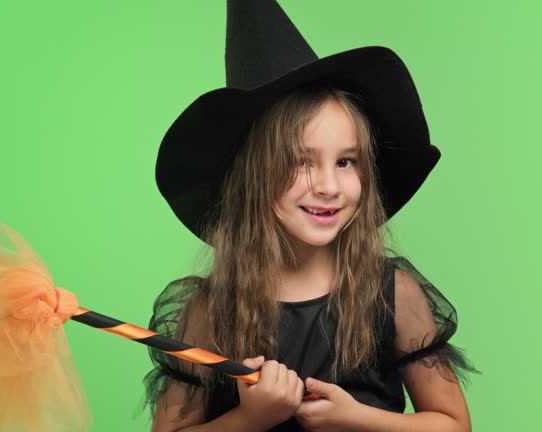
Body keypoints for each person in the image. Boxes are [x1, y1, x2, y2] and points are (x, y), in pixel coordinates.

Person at [146, 1, 480, 431]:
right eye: (302, 162)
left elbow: (454, 425)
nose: (328, 185)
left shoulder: (392, 294)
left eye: (346, 161)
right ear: (253, 179)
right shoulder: (212, 309)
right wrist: (251, 417)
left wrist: (356, 418)